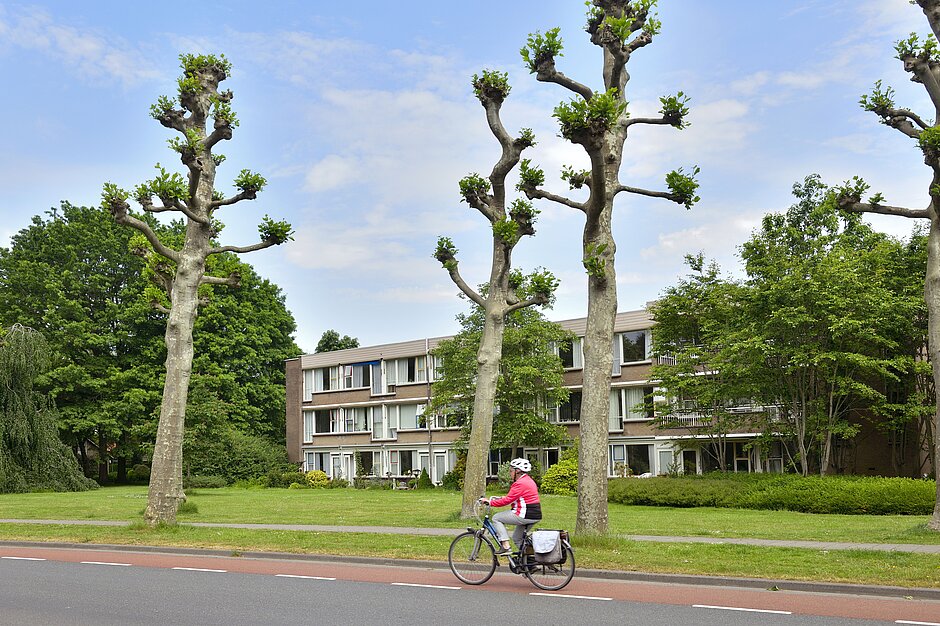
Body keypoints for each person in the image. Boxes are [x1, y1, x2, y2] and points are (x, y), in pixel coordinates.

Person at [478, 458, 541, 555]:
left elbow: (507, 501)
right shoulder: (528, 480)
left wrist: (490, 502)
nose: (510, 473)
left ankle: (505, 546)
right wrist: (502, 497)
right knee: (517, 538)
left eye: (511, 471)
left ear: (517, 471)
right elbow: (518, 497)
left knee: (496, 518)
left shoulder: (520, 483)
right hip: (535, 514)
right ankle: (530, 562)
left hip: (524, 514)